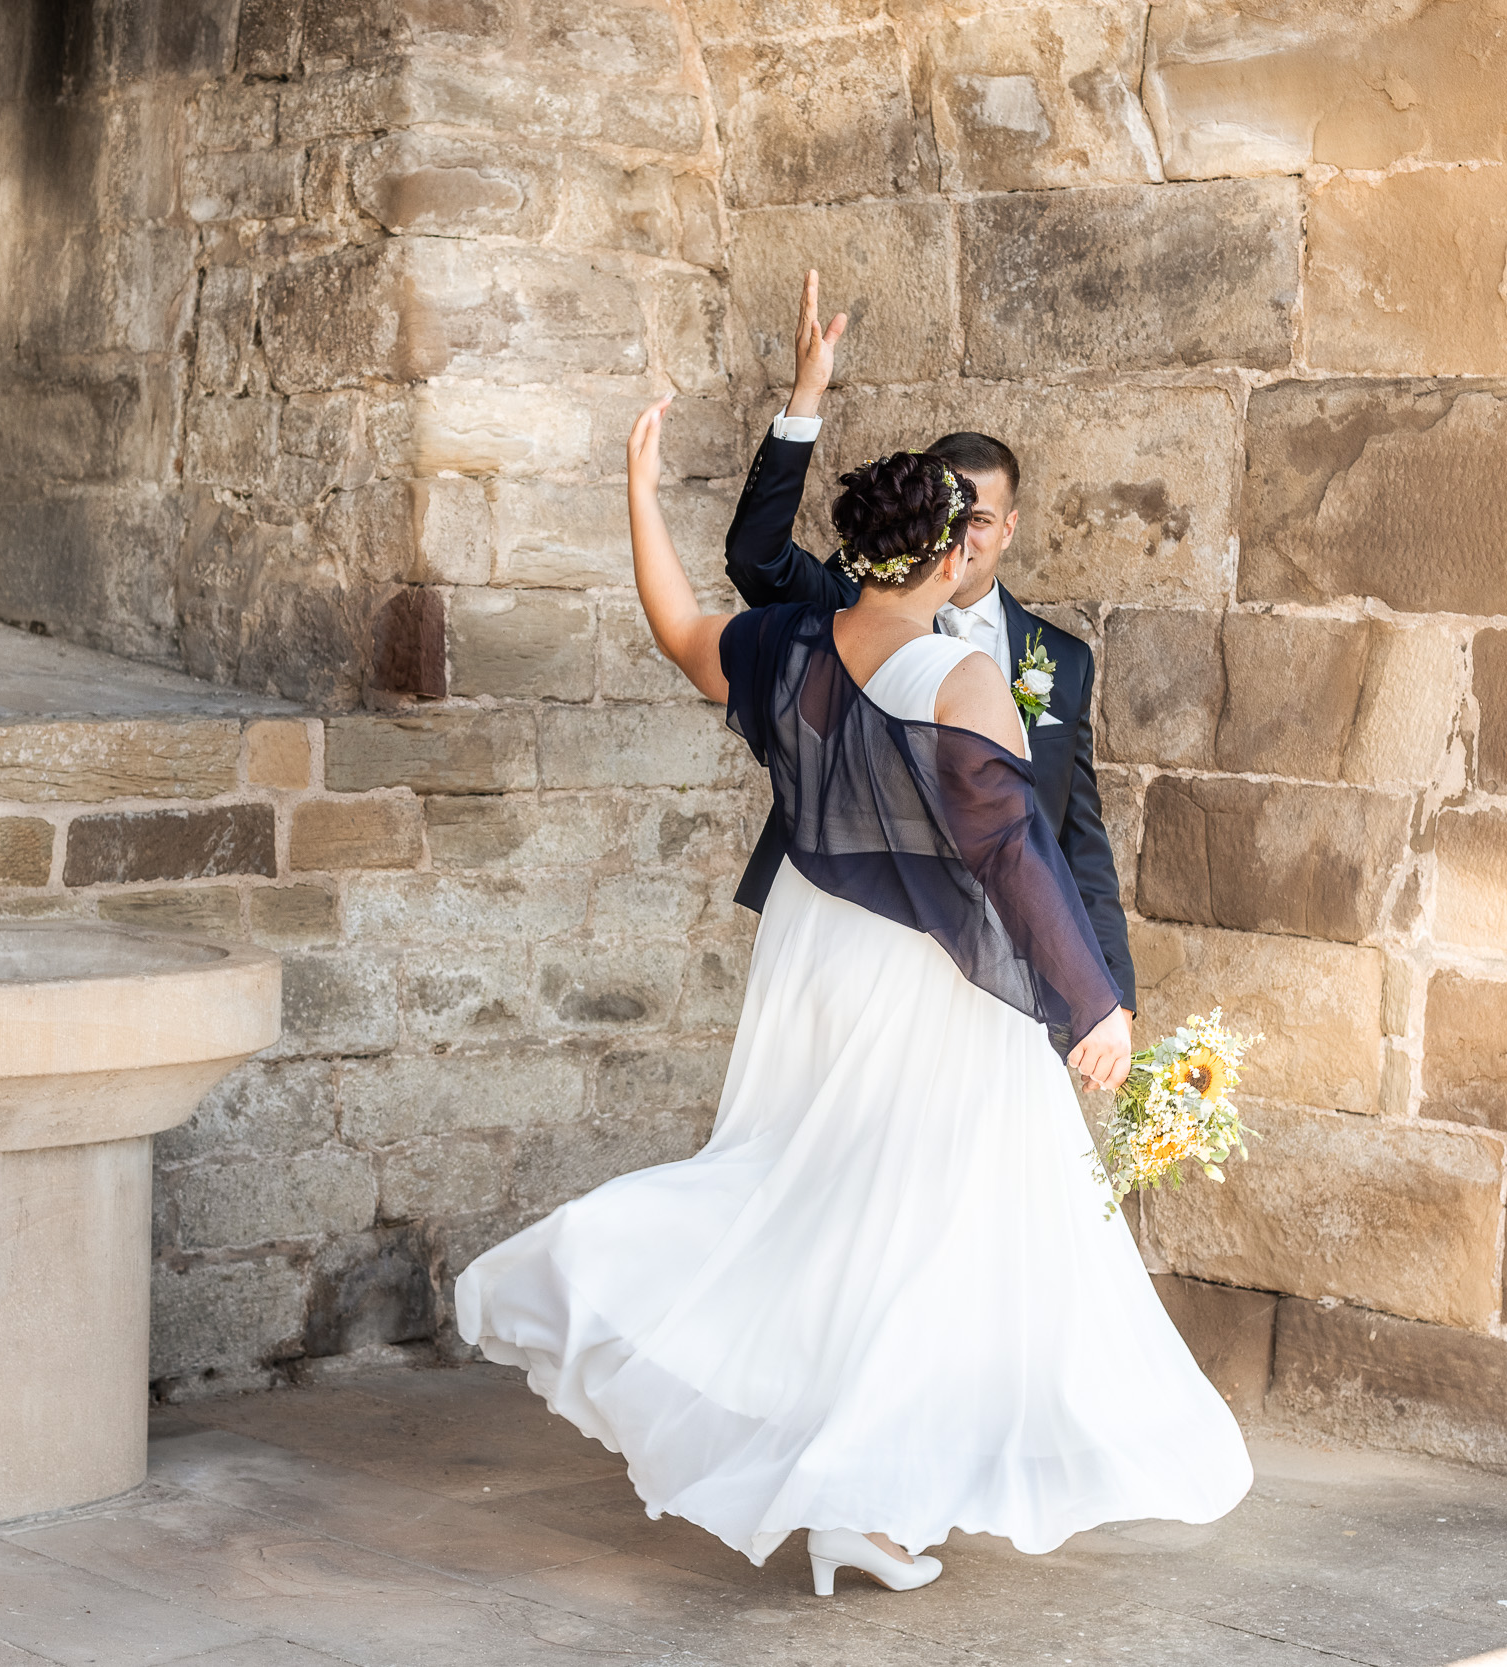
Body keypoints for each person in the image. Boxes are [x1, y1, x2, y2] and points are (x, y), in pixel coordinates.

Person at [453, 393, 1253, 1597]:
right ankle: (842, 1478)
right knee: (918, 1222)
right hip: (930, 977)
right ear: (943, 553)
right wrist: (1088, 1002)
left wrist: (635, 489)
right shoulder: (965, 678)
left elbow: (676, 621)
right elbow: (1010, 858)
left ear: (864, 550)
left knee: (821, 1190)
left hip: (813, 950)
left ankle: (857, 1506)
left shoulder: (787, 643)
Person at [723, 272, 1134, 1026]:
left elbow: (1073, 832)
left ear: (1008, 528)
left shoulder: (1062, 659)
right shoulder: (850, 605)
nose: (965, 538)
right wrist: (805, 397)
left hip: (995, 958)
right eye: (954, 514)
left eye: (983, 519)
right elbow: (754, 556)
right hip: (861, 941)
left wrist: (1110, 987)